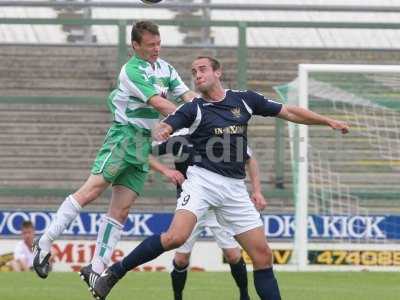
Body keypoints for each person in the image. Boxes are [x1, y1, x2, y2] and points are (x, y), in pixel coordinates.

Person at [90, 56, 349, 300]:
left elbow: (289, 112)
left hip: (235, 189)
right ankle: (114, 273)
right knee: (175, 238)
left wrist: (327, 121)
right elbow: (171, 121)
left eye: (202, 69)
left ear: (218, 72)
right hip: (202, 182)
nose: (197, 75)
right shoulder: (194, 107)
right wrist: (164, 128)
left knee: (262, 257)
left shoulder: (244, 100)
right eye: (193, 72)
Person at [32, 20, 196, 282]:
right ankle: (45, 240)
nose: (156, 49)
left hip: (142, 142)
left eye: (159, 43)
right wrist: (198, 120)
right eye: (151, 45)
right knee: (92, 191)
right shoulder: (131, 71)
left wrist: (206, 108)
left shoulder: (166, 68)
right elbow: (160, 104)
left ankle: (96, 268)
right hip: (124, 137)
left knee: (121, 209)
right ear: (135, 45)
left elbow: (186, 94)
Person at [150, 130, 266, 300]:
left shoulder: (219, 129)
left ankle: (244, 295)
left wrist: (257, 191)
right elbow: (144, 152)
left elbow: (250, 159)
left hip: (219, 206)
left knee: (233, 255)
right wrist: (165, 171)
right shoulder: (179, 137)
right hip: (192, 207)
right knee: (181, 260)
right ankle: (177, 297)